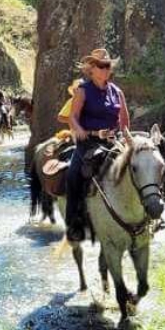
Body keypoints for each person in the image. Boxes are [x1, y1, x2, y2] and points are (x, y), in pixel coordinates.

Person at [64, 49, 131, 243]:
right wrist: (79, 130)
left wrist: (128, 142)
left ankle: (146, 217)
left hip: (112, 141)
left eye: (107, 66)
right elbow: (73, 118)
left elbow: (125, 123)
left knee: (139, 168)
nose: (104, 69)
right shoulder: (83, 90)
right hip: (88, 143)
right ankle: (73, 226)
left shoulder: (118, 92)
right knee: (72, 176)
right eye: (100, 66)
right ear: (91, 69)